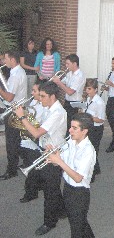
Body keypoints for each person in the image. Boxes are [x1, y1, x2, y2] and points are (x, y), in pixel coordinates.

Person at [14, 81, 66, 236]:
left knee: (50, 191)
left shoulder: (57, 112)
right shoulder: (48, 108)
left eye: (43, 96)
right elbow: (37, 127)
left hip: (53, 156)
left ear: (52, 96)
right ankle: (62, 210)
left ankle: (49, 222)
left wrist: (22, 116)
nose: (40, 99)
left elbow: (37, 133)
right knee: (52, 186)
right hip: (45, 151)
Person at [46, 112, 96, 238]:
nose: (70, 130)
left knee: (76, 230)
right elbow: (61, 163)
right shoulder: (71, 142)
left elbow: (78, 178)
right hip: (68, 188)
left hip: (79, 194)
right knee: (80, 223)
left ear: (84, 131)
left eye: (74, 128)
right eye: (70, 127)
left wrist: (60, 162)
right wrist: (55, 157)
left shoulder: (88, 151)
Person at [0, 50, 27, 180]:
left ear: (12, 60)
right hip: (16, 109)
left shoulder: (16, 75)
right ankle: (17, 164)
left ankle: (11, 170)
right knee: (16, 139)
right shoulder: (16, 72)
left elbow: (9, 97)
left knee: (11, 141)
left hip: (13, 110)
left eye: (6, 59)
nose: (4, 62)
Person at [19, 81, 46, 203]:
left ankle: (30, 192)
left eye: (34, 91)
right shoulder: (34, 102)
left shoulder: (43, 107)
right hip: (29, 138)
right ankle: (37, 184)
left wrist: (23, 118)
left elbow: (36, 124)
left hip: (36, 139)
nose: (32, 93)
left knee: (32, 166)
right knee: (31, 163)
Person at [52, 54, 86, 136]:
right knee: (65, 123)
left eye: (68, 64)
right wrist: (55, 78)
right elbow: (64, 82)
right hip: (68, 102)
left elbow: (70, 92)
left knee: (71, 125)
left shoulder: (79, 76)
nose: (66, 66)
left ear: (74, 64)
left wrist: (58, 82)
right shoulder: (70, 73)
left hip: (75, 104)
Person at [84, 79, 106, 182]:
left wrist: (89, 117)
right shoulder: (88, 99)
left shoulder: (99, 102)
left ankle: (91, 175)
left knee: (93, 151)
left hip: (96, 128)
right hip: (90, 126)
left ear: (96, 90)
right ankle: (96, 169)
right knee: (91, 148)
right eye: (86, 88)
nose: (87, 91)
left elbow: (101, 119)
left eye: (89, 89)